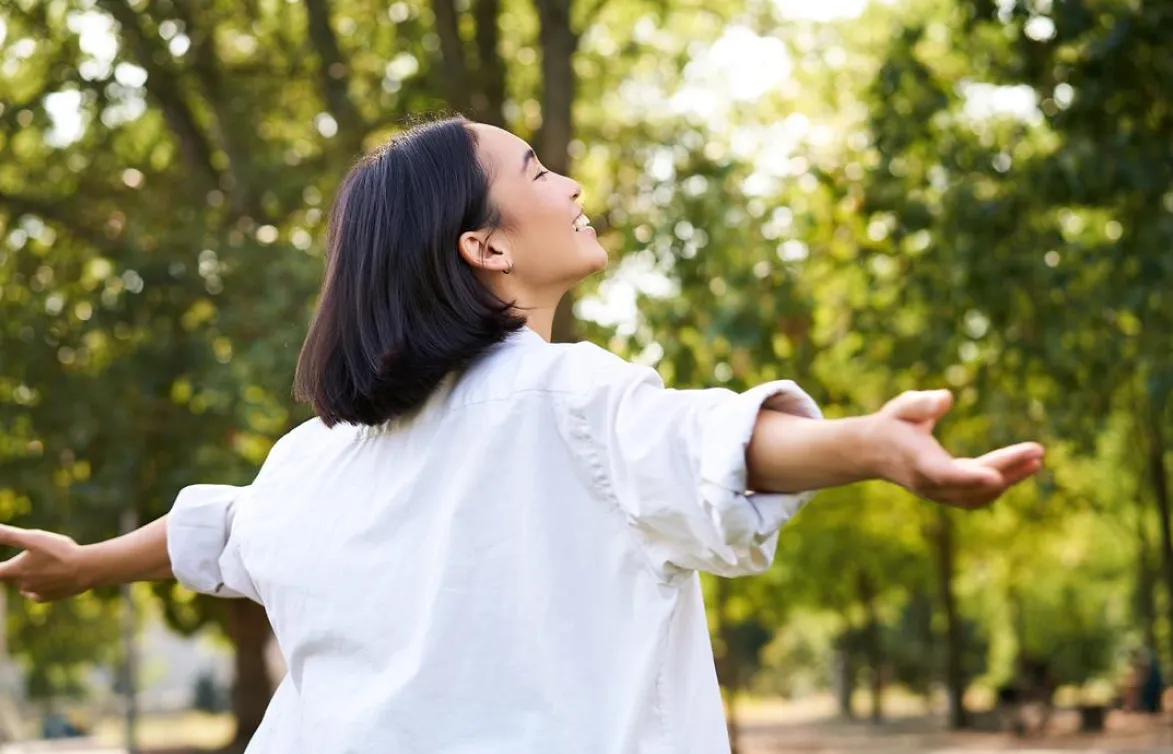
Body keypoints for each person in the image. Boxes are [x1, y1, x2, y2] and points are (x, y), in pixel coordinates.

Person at [0, 117, 1044, 753]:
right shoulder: (567, 400)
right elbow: (701, 444)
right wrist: (869, 445)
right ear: (484, 243)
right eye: (540, 171)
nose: (574, 185)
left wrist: (90, 562)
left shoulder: (315, 456)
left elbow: (218, 532)